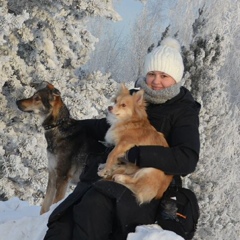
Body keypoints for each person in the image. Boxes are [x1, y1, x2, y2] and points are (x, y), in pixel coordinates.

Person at [44, 37, 201, 240]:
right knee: (63, 222)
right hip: (109, 175)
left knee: (93, 205)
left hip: (145, 184)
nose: (156, 81)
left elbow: (187, 158)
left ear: (176, 78)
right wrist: (71, 125)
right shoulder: (134, 98)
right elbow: (107, 126)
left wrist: (137, 154)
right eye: (152, 73)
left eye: (164, 75)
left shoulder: (183, 111)